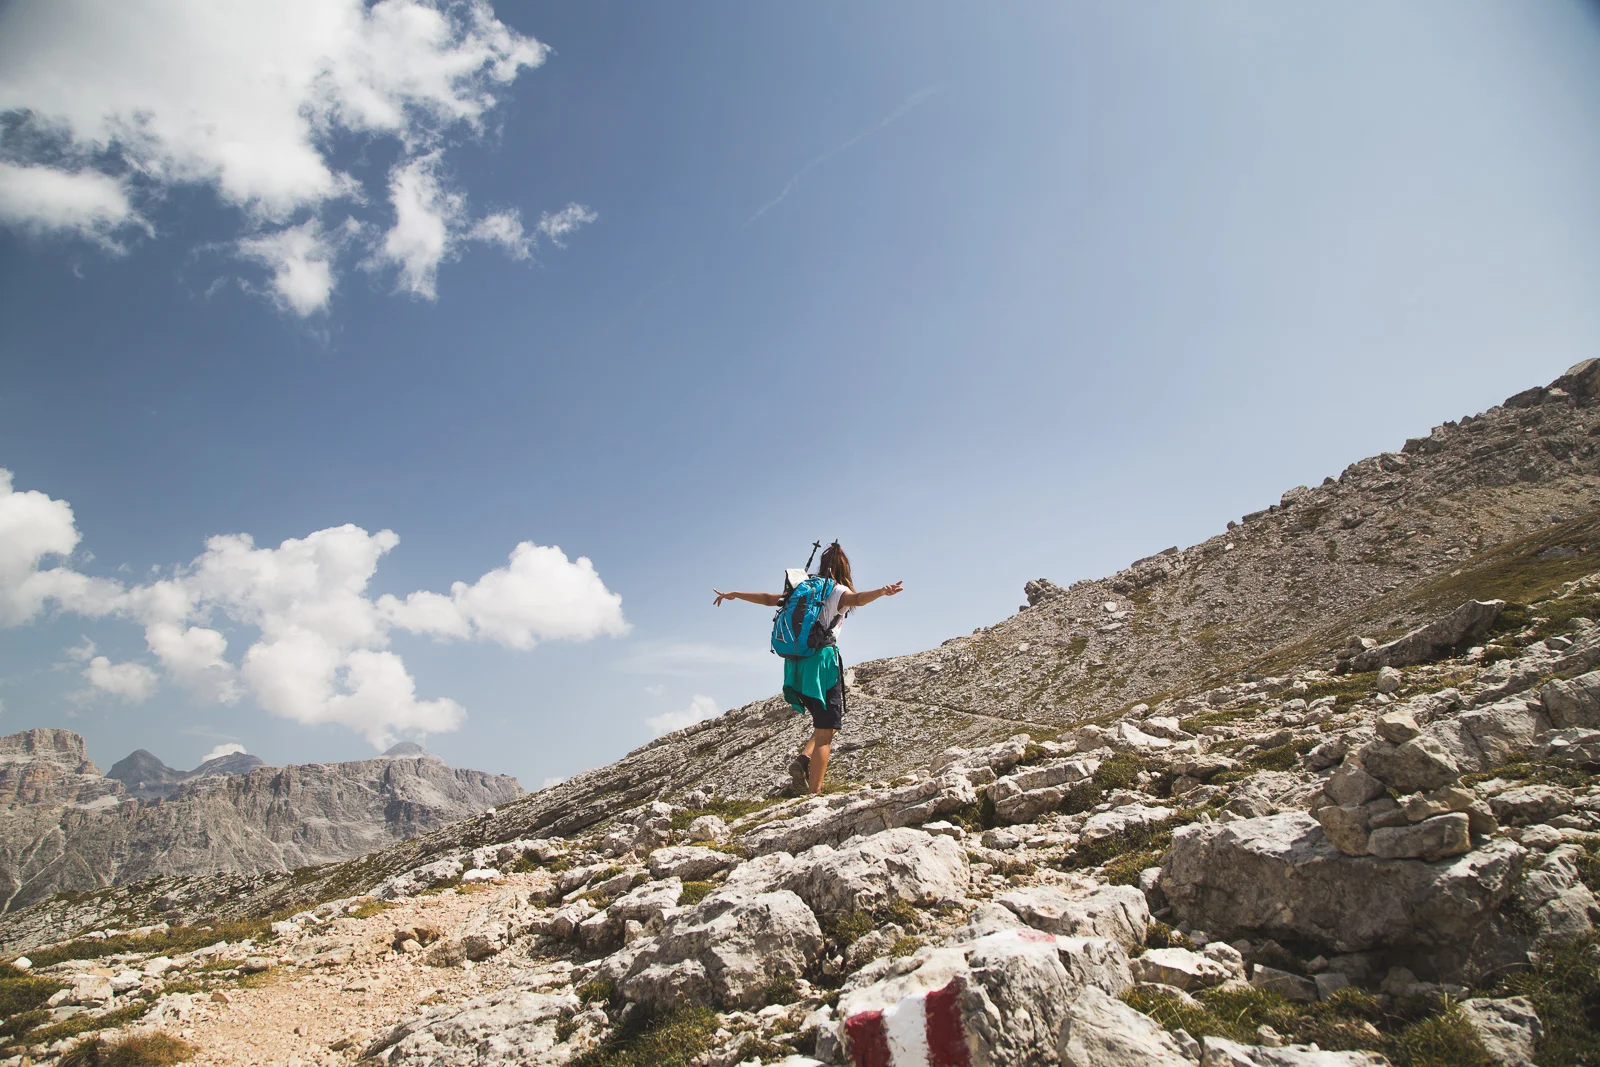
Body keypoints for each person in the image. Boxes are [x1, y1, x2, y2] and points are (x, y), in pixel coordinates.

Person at [713, 542, 903, 794]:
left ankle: (803, 760)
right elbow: (857, 599)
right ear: (845, 569)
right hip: (821, 666)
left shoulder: (802, 588)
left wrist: (736, 593)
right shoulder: (836, 591)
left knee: (825, 725)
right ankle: (814, 795)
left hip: (796, 667)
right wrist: (881, 591)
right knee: (826, 734)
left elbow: (770, 599)